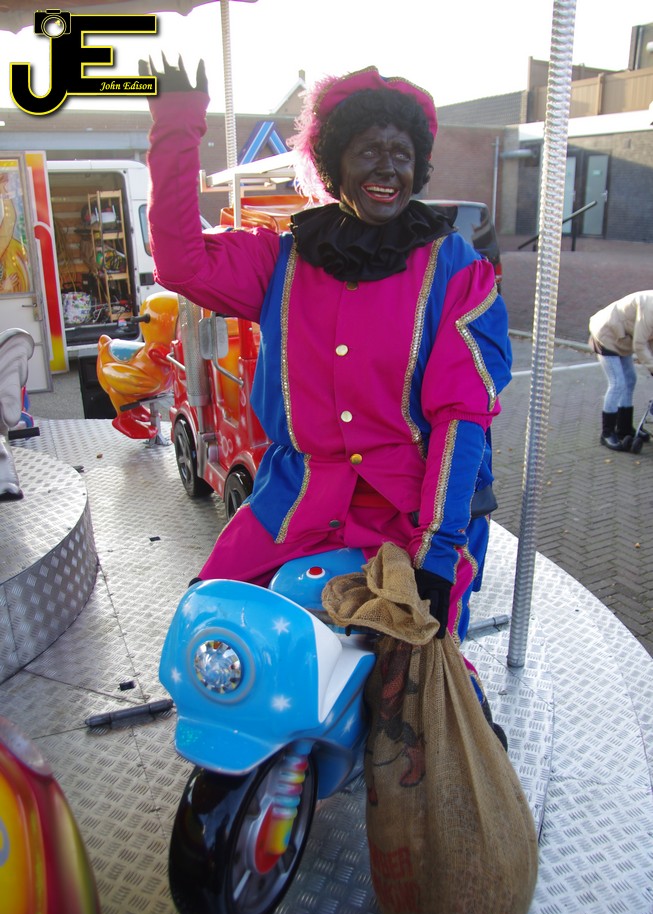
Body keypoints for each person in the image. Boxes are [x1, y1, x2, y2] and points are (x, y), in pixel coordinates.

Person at [142, 58, 511, 650]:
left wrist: (438, 552)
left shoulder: (457, 271)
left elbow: (462, 418)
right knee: (212, 629)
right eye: (369, 150)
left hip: (415, 512)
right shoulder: (283, 258)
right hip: (295, 503)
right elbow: (181, 264)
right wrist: (176, 126)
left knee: (413, 677)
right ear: (334, 162)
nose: (387, 165)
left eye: (402, 152)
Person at [589, 290, 653, 451]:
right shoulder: (650, 309)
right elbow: (640, 344)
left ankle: (624, 428)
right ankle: (607, 433)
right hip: (606, 334)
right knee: (617, 383)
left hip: (623, 338)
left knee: (630, 380)